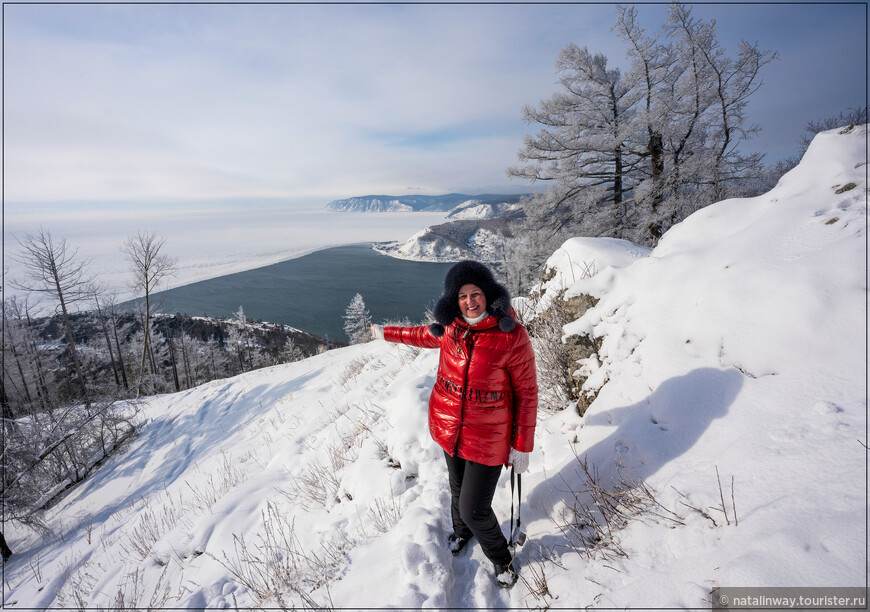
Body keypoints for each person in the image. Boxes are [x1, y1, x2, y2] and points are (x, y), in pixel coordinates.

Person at [371, 260, 538, 588]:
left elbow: (527, 393)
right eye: (462, 296)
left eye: (476, 293)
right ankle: (462, 534)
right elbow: (418, 335)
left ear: (488, 295)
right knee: (457, 487)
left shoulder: (511, 335)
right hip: (449, 428)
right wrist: (384, 332)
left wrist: (522, 445)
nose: (470, 301)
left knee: (475, 508)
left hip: (489, 437)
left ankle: (501, 558)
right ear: (454, 300)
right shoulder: (451, 328)